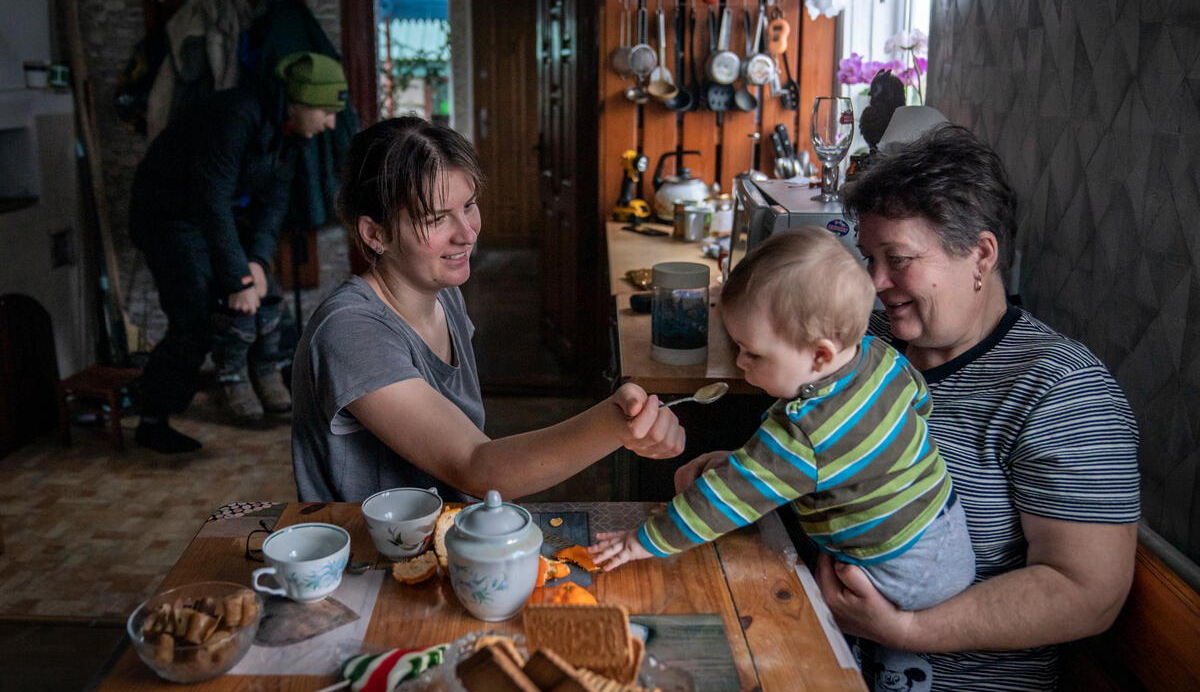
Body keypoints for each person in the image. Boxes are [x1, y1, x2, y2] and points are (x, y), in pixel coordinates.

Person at [797, 123, 1136, 691]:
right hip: (810, 654)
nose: (874, 282)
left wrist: (905, 628)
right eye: (867, 258)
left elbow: (1086, 593)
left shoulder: (1061, 392)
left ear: (980, 255)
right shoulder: (867, 343)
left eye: (897, 258)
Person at [289, 116, 684, 503]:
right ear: (375, 234)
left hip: (444, 539)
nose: (467, 233)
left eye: (469, 206)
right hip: (372, 559)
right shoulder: (349, 332)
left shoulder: (444, 295)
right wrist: (612, 424)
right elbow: (475, 466)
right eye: (437, 218)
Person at [589, 227, 976, 616]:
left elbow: (725, 498)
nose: (740, 363)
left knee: (873, 651)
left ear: (820, 357)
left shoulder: (803, 433)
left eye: (752, 353)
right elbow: (921, 405)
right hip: (947, 524)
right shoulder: (881, 357)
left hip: (896, 564)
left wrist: (642, 541)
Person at [130, 51, 348, 453]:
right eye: (325, 111)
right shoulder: (236, 115)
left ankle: (261, 375)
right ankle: (152, 417)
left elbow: (273, 205)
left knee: (265, 290)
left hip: (216, 214)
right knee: (193, 314)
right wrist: (238, 278)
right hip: (168, 215)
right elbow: (210, 198)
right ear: (298, 102)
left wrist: (257, 263)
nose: (330, 122)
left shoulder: (291, 134)